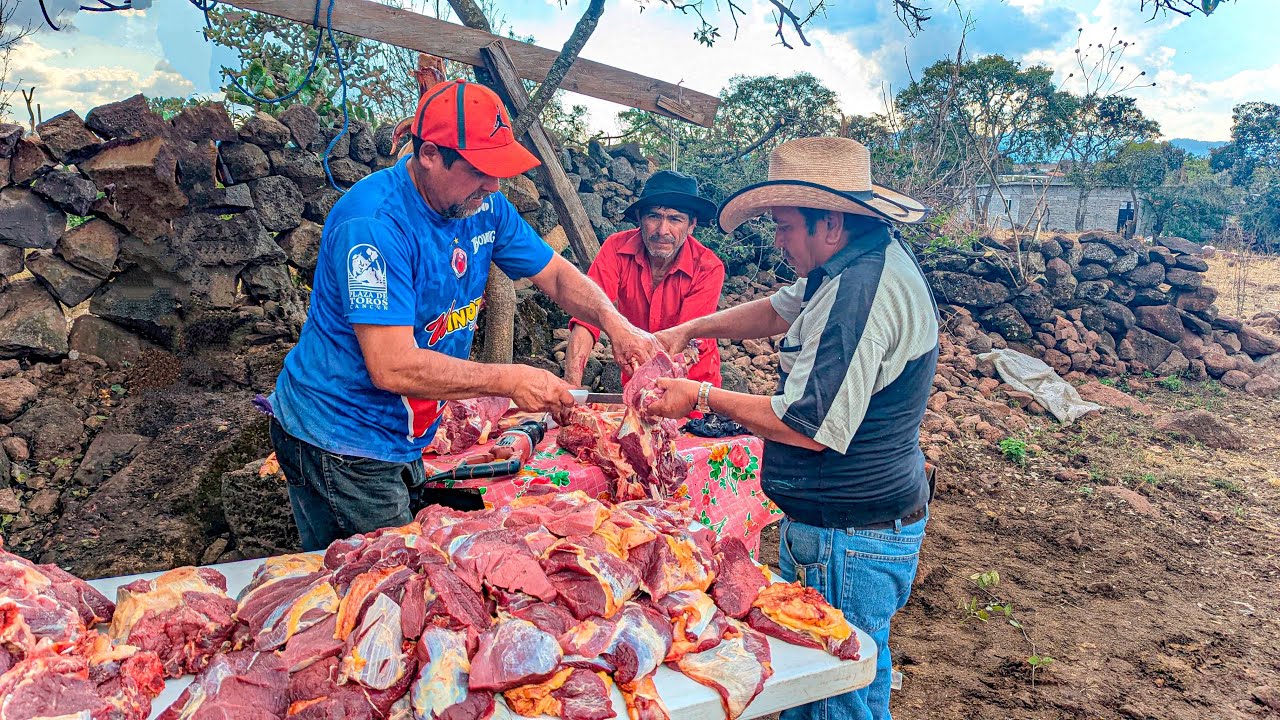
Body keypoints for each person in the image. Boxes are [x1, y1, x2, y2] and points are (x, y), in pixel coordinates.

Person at [269, 79, 659, 551]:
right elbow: (391, 364)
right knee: (379, 584)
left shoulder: (482, 206)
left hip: (402, 430)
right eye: (481, 170)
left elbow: (555, 274)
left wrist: (615, 322)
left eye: (499, 171)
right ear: (430, 154)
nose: (494, 186)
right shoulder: (374, 225)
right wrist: (510, 380)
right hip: (342, 440)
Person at [646, 137, 938, 720]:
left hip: (849, 533)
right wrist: (691, 328)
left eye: (784, 226)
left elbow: (806, 426)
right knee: (852, 677)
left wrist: (701, 394)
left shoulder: (859, 294)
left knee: (832, 696)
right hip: (862, 523)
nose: (778, 241)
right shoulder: (852, 261)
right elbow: (779, 310)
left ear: (829, 222)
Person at [564, 170, 725, 388]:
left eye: (675, 219)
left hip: (693, 385)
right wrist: (571, 386)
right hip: (637, 380)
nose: (662, 230)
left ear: (691, 225)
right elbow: (587, 316)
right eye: (654, 216)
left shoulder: (708, 267)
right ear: (640, 218)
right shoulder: (615, 248)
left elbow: (687, 338)